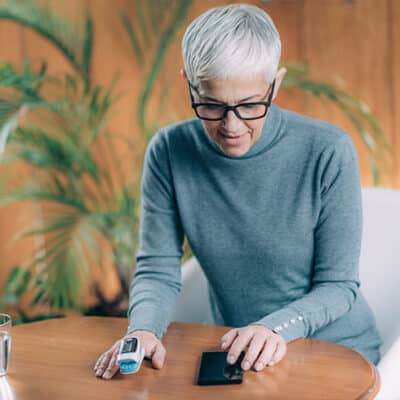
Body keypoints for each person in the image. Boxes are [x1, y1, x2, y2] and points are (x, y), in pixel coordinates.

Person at [94, 3, 381, 380]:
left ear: (275, 85)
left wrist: (273, 329)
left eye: (249, 105)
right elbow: (158, 267)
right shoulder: (169, 151)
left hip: (336, 352)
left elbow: (338, 286)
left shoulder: (327, 151)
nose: (231, 125)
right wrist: (143, 330)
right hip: (239, 357)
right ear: (189, 83)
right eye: (211, 105)